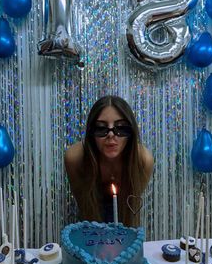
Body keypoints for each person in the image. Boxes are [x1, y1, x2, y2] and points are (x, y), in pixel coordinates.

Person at [64, 95, 154, 227]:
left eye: (121, 128)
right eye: (101, 128)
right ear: (91, 133)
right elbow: (84, 205)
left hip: (125, 217)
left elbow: (132, 205)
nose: (111, 135)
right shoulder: (75, 158)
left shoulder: (144, 160)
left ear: (131, 132)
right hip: (90, 218)